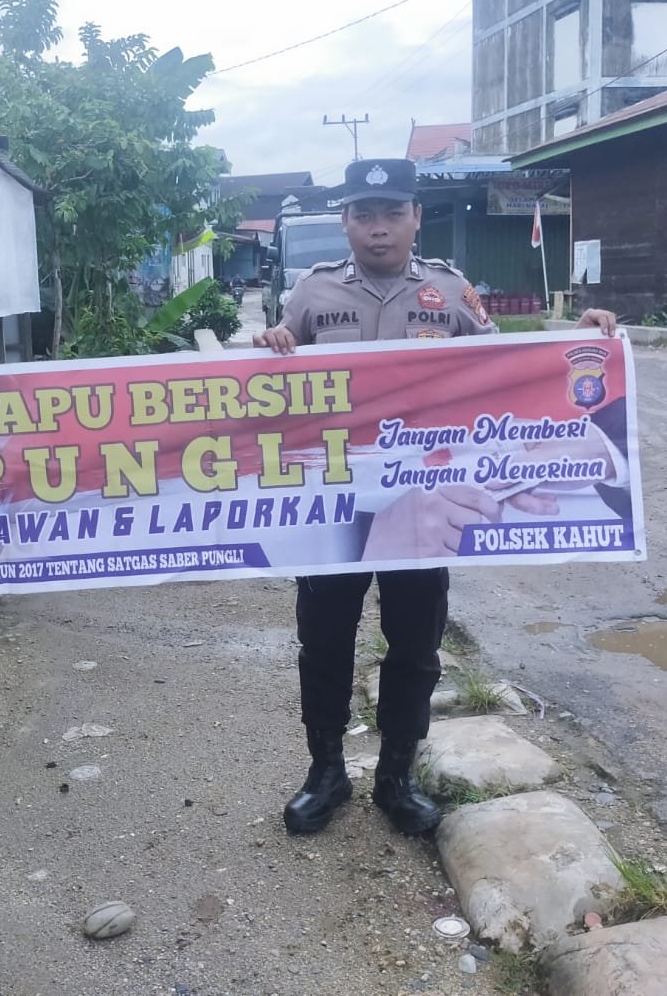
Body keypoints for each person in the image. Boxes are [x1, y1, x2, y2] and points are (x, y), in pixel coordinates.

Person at [253, 159, 617, 836]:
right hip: (335, 506)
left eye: (393, 213)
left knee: (415, 645)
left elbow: (508, 373)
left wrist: (578, 338)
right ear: (345, 222)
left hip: (427, 506)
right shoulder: (312, 291)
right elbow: (272, 385)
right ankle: (325, 773)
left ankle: (397, 776)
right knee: (323, 642)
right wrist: (273, 345)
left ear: (416, 217)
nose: (379, 228)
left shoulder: (450, 292)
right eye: (365, 214)